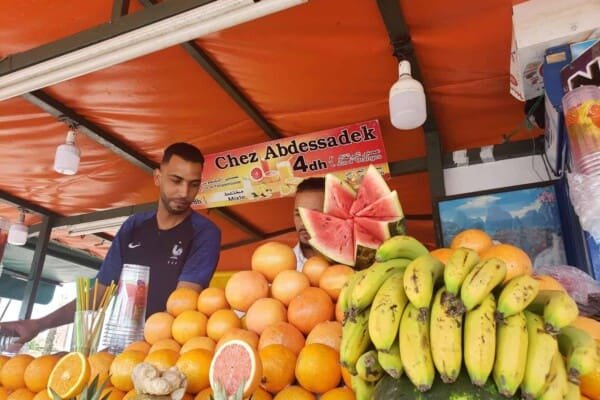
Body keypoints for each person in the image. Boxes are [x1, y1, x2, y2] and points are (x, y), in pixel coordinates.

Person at [0, 143, 221, 349]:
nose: (184, 193)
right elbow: (100, 291)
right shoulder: (134, 226)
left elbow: (182, 305)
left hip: (167, 352)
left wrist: (131, 352)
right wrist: (39, 324)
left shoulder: (205, 233)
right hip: (123, 351)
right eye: (176, 180)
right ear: (158, 177)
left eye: (193, 185)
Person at [293, 177, 325, 270]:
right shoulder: (281, 268)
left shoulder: (355, 261)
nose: (303, 223)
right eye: (298, 214)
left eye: (312, 215)